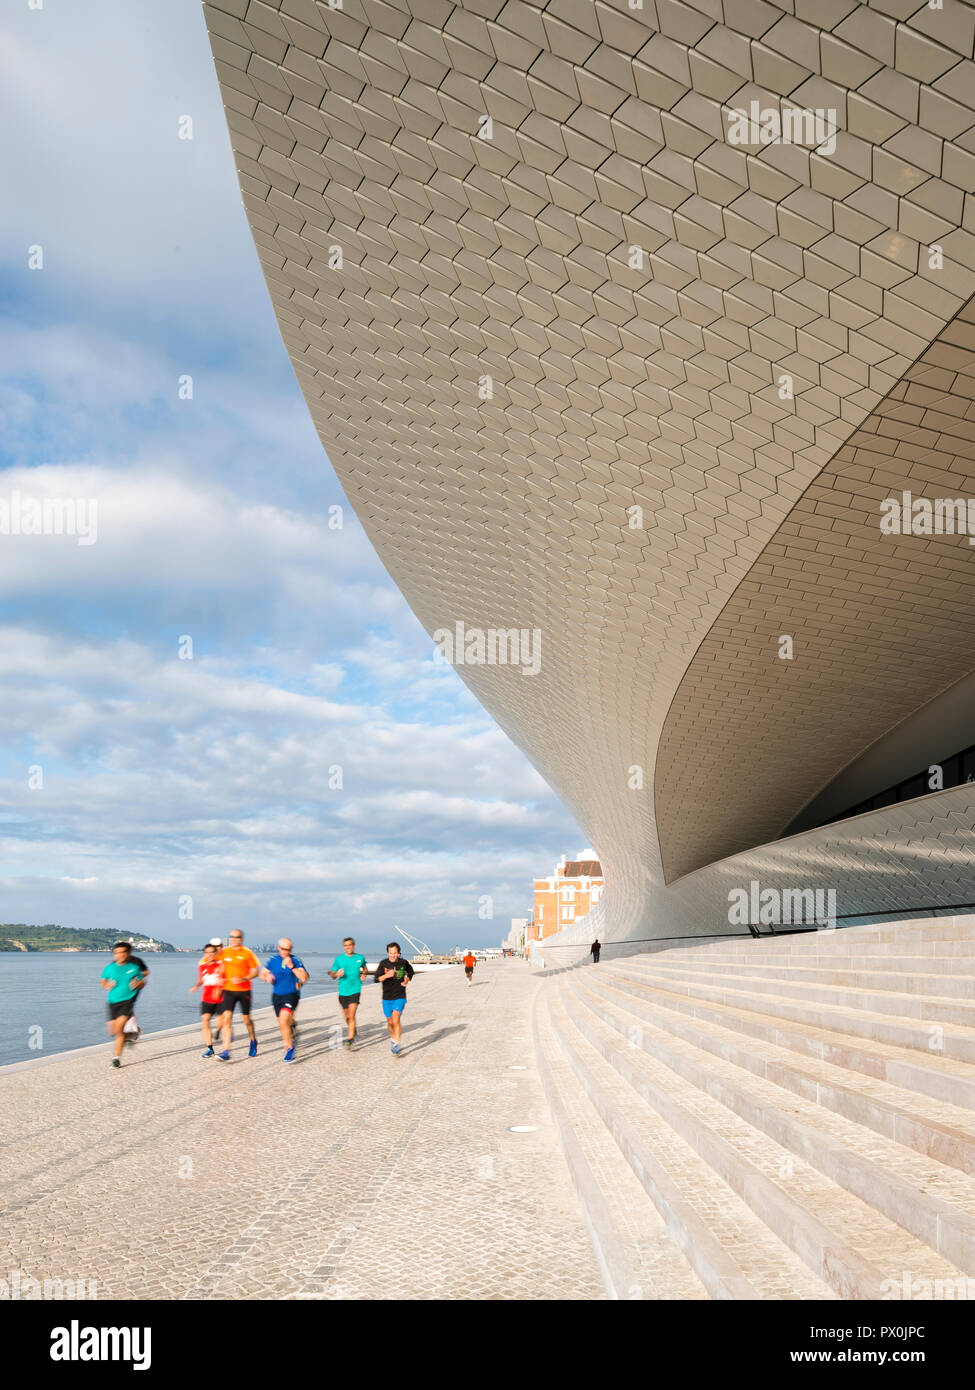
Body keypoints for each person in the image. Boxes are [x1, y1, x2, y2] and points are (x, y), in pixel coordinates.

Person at [259, 938, 309, 1062]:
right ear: (278, 948)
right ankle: (293, 1029)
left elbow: (305, 977)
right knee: (283, 1023)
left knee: (283, 1019)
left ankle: (289, 1049)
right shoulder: (273, 960)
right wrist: (267, 977)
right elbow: (262, 974)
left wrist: (292, 967)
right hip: (277, 996)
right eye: (284, 949)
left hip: (292, 995)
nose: (286, 952)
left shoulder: (296, 960)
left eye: (289, 949)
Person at [99, 942, 147, 1068]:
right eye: (117, 953)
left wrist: (138, 984)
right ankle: (133, 1032)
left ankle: (116, 1059)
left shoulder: (134, 968)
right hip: (112, 1001)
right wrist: (106, 985)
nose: (119, 955)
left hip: (128, 1000)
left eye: (122, 952)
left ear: (128, 953)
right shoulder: (109, 968)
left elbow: (143, 981)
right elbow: (102, 981)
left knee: (119, 1029)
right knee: (113, 1031)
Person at [216, 929, 261, 1061]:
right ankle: (226, 1051)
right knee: (227, 1019)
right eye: (231, 937)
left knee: (246, 1020)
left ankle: (253, 1040)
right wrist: (220, 979)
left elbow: (255, 972)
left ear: (241, 939)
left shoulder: (247, 953)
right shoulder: (225, 952)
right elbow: (222, 968)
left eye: (236, 937)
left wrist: (242, 979)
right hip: (228, 990)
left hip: (244, 990)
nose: (234, 939)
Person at [375, 941, 414, 1055]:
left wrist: (407, 979)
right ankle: (393, 1039)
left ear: (398, 953)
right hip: (386, 997)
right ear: (388, 953)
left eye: (395, 953)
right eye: (390, 953)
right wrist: (387, 975)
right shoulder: (383, 964)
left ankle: (397, 1044)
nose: (392, 955)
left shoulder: (403, 962)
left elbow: (411, 971)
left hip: (400, 995)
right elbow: (377, 979)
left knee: (396, 1018)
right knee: (390, 1022)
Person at [328, 936, 367, 1048]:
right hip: (343, 992)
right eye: (346, 945)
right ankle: (353, 1029)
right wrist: (336, 974)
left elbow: (364, 968)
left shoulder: (360, 958)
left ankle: (350, 1039)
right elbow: (332, 974)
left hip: (355, 990)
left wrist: (364, 974)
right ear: (344, 947)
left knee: (351, 1014)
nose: (348, 947)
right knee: (347, 1017)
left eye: (350, 945)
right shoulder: (339, 959)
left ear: (353, 946)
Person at [189, 939, 225, 1058]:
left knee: (221, 1023)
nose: (209, 955)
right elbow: (201, 979)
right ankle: (209, 1048)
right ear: (205, 953)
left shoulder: (221, 966)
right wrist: (196, 986)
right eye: (207, 952)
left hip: (220, 999)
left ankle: (219, 1031)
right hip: (206, 998)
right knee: (205, 1021)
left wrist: (219, 989)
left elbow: (224, 980)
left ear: (215, 953)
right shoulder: (202, 966)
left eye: (212, 952)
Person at [122, 950, 150, 1045]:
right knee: (125, 1011)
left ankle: (132, 1032)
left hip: (134, 989)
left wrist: (136, 978)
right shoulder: (118, 962)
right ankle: (134, 1030)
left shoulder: (136, 961)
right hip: (122, 990)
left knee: (127, 1009)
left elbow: (146, 972)